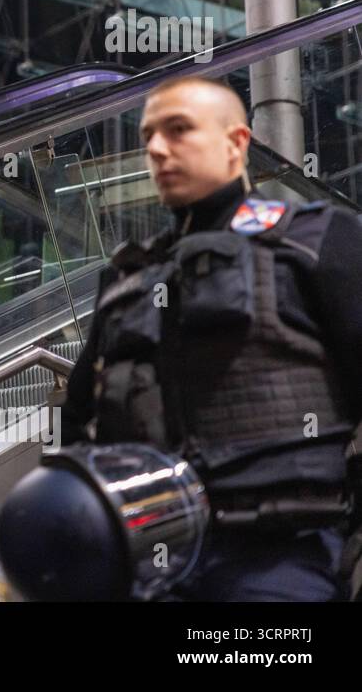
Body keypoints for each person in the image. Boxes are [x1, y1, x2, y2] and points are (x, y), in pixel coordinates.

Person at [60, 76, 362, 601]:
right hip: (148, 566)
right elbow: (79, 420)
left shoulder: (316, 242)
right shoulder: (127, 277)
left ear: (237, 142)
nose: (157, 148)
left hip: (282, 560)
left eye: (179, 130)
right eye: (149, 135)